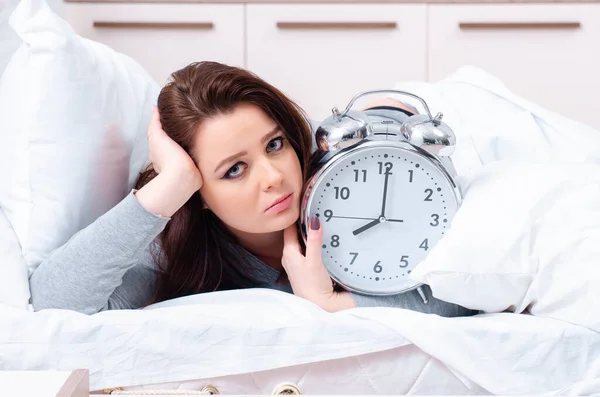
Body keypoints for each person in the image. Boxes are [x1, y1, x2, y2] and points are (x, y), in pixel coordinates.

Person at [29, 61, 477, 316]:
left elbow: (466, 295)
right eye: (234, 170)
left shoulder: (345, 171)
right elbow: (53, 306)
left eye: (275, 144)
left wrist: (333, 303)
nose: (274, 177)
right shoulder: (178, 246)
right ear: (198, 194)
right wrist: (171, 186)